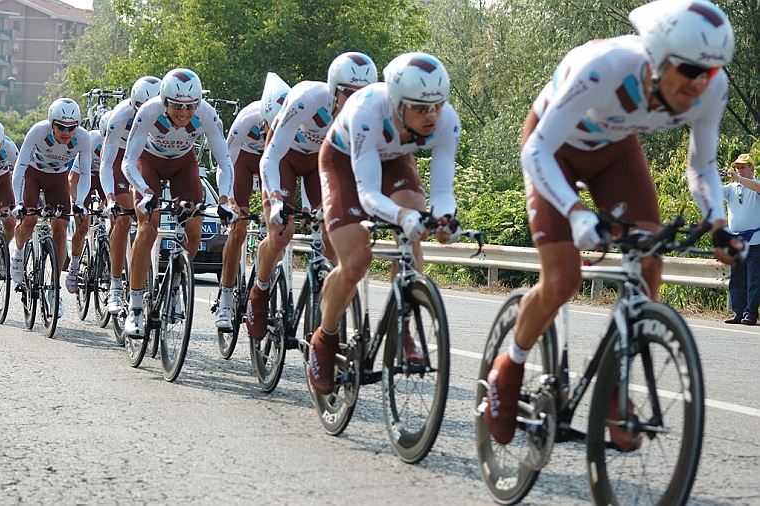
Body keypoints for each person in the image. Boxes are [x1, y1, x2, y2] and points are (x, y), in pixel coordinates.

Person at [483, 0, 744, 451]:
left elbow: (703, 164)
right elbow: (536, 151)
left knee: (648, 265)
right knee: (562, 280)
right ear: (657, 58)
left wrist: (717, 222)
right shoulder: (603, 66)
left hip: (615, 153)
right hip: (553, 150)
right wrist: (576, 212)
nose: (701, 81)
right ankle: (511, 365)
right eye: (689, 68)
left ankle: (615, 393)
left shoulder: (709, 88)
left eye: (713, 70)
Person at [308, 52, 461, 395]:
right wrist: (404, 217)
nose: (432, 116)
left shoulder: (447, 121)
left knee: (415, 216)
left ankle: (402, 327)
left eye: (437, 105)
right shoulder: (367, 113)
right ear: (396, 102)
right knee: (357, 260)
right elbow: (368, 196)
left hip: (393, 158)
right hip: (344, 162)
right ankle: (324, 338)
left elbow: (441, 192)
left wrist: (444, 220)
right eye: (420, 108)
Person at [245, 52, 378, 341]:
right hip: (285, 159)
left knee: (335, 242)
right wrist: (277, 199)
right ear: (333, 91)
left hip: (323, 163)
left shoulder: (367, 114)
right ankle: (260, 290)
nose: (356, 100)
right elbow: (270, 155)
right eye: (348, 94)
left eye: (364, 94)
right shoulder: (307, 98)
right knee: (281, 233)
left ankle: (326, 326)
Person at [121, 68, 238, 336]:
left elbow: (225, 162)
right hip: (148, 162)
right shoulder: (149, 112)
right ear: (164, 101)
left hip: (183, 164)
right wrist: (145, 192)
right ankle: (136, 305)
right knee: (147, 227)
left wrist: (223, 198)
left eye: (190, 106)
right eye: (177, 106)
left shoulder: (207, 114)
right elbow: (128, 161)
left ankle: (174, 284)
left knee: (195, 226)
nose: (184, 113)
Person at [214, 72, 290, 330]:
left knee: (280, 227)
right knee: (239, 229)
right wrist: (230, 200)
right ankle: (225, 298)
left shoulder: (294, 118)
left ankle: (265, 282)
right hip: (244, 162)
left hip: (275, 161)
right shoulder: (247, 118)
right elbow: (225, 162)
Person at [11, 98, 92, 318]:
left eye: (71, 128)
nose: (67, 133)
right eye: (61, 127)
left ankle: (54, 291)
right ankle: (18, 253)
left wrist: (79, 202)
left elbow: (84, 173)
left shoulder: (83, 138)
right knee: (28, 220)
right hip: (33, 174)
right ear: (51, 124)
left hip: (58, 178)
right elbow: (20, 167)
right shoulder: (38, 131)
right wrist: (19, 202)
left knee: (61, 229)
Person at [99, 75, 162, 314]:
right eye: (138, 111)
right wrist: (111, 198)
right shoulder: (119, 117)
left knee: (150, 220)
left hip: (143, 160)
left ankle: (139, 276)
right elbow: (106, 165)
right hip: (118, 161)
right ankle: (115, 284)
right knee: (124, 218)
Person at [65, 109, 110, 294]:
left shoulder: (125, 143)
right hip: (86, 176)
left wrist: (107, 204)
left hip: (106, 177)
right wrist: (77, 203)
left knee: (117, 221)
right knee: (82, 225)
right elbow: (72, 179)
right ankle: (74, 266)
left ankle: (110, 268)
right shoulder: (91, 141)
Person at [722, 153, 760, 325]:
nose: (740, 170)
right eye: (738, 168)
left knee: (754, 279)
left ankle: (750, 314)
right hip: (736, 241)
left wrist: (738, 178)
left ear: (752, 167)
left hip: (755, 241)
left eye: (743, 167)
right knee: (736, 279)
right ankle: (739, 312)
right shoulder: (731, 188)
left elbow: (756, 187)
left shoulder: (756, 185)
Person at [0, 122, 20, 244]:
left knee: (10, 222)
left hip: (2, 178)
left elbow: (21, 170)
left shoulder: (9, 146)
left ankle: (2, 252)